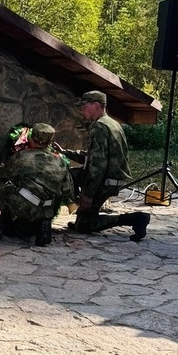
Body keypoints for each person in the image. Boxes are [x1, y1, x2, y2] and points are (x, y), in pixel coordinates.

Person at [58, 90, 150, 242]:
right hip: (111, 178)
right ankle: (82, 212)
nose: (82, 110)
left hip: (105, 181)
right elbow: (92, 156)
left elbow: (97, 165)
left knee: (84, 225)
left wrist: (88, 194)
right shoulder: (113, 124)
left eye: (84, 106)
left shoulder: (99, 127)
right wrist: (65, 153)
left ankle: (136, 219)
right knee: (68, 176)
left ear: (96, 105)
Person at [0, 123, 74, 246]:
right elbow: (67, 190)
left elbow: (4, 175)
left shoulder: (21, 157)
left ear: (32, 139)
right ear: (50, 142)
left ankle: (8, 226)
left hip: (24, 207)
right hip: (48, 208)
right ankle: (44, 221)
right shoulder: (60, 160)